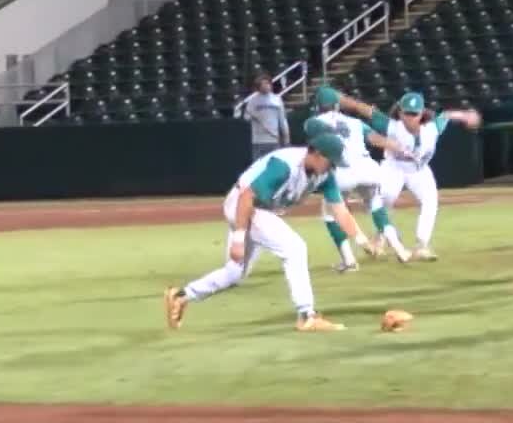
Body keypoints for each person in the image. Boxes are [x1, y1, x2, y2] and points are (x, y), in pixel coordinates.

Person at [163, 133, 362, 332]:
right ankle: (306, 315)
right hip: (242, 204)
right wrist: (239, 240)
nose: (332, 167)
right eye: (331, 161)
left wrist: (361, 240)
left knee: (235, 273)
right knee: (294, 248)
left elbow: (340, 209)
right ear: (317, 153)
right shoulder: (285, 164)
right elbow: (247, 196)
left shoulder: (323, 175)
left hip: (257, 209)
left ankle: (182, 295)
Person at [303, 86, 415, 269]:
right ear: (337, 105)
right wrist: (401, 149)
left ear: (318, 106)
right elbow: (375, 139)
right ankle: (400, 249)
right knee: (377, 208)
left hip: (341, 171)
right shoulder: (354, 122)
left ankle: (349, 260)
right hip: (367, 168)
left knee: (330, 215)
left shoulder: (312, 122)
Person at [378, 91, 481, 261]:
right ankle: (382, 236)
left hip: (419, 170)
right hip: (393, 167)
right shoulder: (392, 126)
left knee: (430, 201)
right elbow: (368, 117)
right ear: (399, 112)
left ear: (422, 113)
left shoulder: (432, 128)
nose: (410, 117)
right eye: (407, 113)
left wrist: (465, 115)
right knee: (385, 199)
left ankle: (422, 244)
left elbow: (446, 115)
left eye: (414, 113)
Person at [239, 73, 289, 159]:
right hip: (258, 141)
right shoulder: (253, 101)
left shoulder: (277, 99)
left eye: (267, 83)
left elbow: (282, 120)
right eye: (263, 84)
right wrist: (254, 116)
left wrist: (286, 137)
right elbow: (246, 117)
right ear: (258, 87)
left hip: (274, 139)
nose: (266, 86)